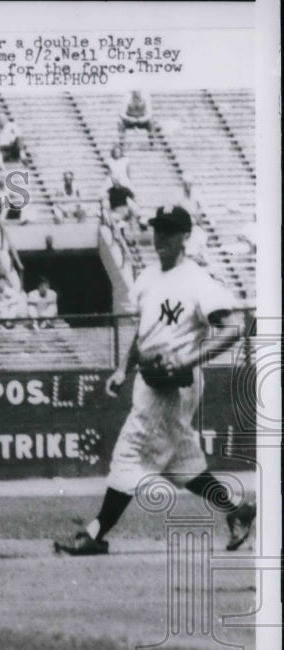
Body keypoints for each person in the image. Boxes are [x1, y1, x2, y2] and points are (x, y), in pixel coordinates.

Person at [55, 205, 256, 556]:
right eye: (157, 228)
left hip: (174, 384)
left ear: (185, 237)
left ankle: (95, 533)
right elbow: (143, 332)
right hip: (150, 377)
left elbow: (233, 329)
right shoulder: (147, 277)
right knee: (181, 462)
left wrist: (188, 359)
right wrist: (122, 369)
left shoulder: (196, 280)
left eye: (169, 229)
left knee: (129, 452)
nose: (160, 235)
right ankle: (236, 509)